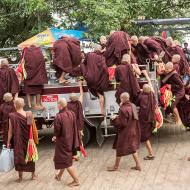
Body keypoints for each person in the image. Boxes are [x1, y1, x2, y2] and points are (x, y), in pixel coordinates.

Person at [107, 92, 141, 171]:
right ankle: (138, 165)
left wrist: (114, 119)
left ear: (122, 99)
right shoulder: (133, 105)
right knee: (133, 148)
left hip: (125, 132)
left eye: (120, 98)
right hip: (133, 129)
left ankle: (115, 167)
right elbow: (129, 116)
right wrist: (119, 115)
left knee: (119, 148)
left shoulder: (122, 109)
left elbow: (122, 123)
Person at [7, 98, 38, 183]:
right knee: (30, 156)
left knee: (19, 157)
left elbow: (10, 131)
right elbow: (32, 128)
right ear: (24, 105)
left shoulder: (12, 116)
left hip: (18, 140)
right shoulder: (29, 114)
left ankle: (20, 178)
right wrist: (34, 139)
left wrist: (8, 142)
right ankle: (33, 175)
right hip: (29, 140)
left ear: (15, 105)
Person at [52, 98, 80, 187]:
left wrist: (55, 137)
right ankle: (59, 176)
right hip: (71, 140)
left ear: (59, 106)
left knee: (66, 162)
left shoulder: (58, 116)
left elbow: (57, 131)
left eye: (57, 105)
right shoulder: (72, 113)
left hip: (63, 142)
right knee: (64, 159)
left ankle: (76, 180)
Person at [81, 44, 109, 115]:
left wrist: (85, 74)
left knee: (93, 89)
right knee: (100, 94)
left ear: (93, 49)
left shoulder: (89, 55)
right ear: (100, 50)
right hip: (98, 79)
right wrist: (104, 78)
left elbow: (83, 63)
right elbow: (104, 68)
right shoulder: (102, 57)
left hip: (89, 78)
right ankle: (102, 111)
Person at [22, 45, 48, 110]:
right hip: (38, 75)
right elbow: (43, 62)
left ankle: (30, 104)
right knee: (38, 90)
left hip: (29, 75)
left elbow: (23, 63)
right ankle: (38, 104)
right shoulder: (39, 52)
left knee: (28, 90)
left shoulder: (26, 52)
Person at [136, 84, 157, 160]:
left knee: (145, 137)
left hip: (144, 119)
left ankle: (151, 154)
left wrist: (140, 92)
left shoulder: (142, 97)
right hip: (151, 118)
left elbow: (137, 102)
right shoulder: (152, 95)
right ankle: (149, 153)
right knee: (146, 136)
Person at [161, 62, 185, 127]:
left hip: (179, 91)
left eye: (167, 69)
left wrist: (171, 86)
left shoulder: (174, 75)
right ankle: (177, 120)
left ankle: (179, 120)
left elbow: (181, 85)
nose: (166, 70)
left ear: (171, 69)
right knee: (170, 104)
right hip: (175, 91)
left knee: (172, 104)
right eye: (165, 69)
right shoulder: (170, 72)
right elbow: (165, 73)